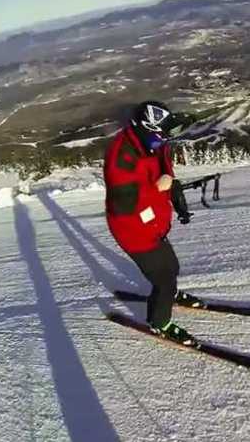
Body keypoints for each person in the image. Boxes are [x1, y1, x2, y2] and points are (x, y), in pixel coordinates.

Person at [104, 100, 194, 343]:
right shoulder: (121, 160)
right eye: (165, 133)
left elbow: (164, 168)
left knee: (171, 267)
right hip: (132, 230)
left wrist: (172, 189)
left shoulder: (153, 143)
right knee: (162, 277)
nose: (168, 138)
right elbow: (124, 207)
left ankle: (169, 293)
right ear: (147, 128)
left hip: (154, 223)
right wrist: (159, 188)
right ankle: (159, 322)